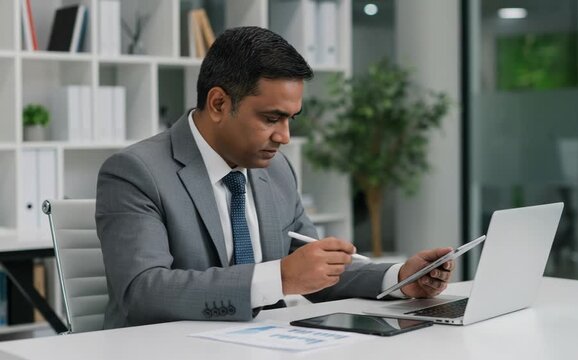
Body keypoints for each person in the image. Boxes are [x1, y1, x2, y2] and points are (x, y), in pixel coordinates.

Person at [96, 26, 454, 329]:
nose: (284, 137)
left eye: (290, 119)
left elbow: (314, 272)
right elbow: (141, 292)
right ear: (219, 104)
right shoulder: (136, 172)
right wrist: (279, 278)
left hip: (269, 343)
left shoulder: (277, 170)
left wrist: (401, 279)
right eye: (271, 118)